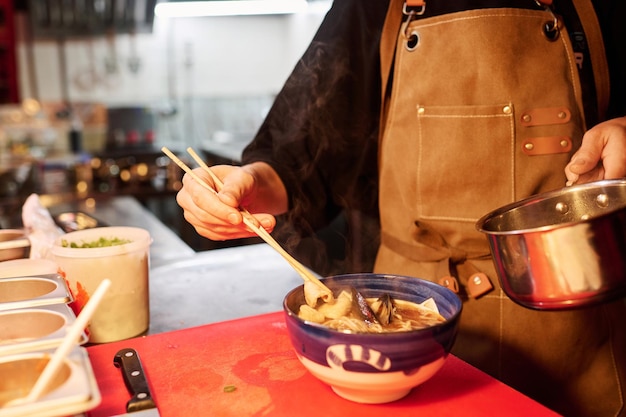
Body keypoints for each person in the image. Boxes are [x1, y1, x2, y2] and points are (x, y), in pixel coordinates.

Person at [176, 0, 626, 415]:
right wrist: (249, 185)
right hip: (393, 337)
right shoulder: (376, 5)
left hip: (568, 318)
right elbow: (299, 163)